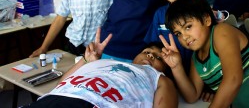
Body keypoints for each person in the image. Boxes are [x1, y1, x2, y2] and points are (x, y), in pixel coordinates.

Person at [159, 0, 249, 108]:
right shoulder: (196, 58)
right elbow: (192, 96)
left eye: (188, 27)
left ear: (207, 19)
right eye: (178, 33)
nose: (184, 36)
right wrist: (176, 67)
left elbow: (233, 79)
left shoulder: (221, 32)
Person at [23, 29, 177, 108]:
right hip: (53, 99)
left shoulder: (158, 77)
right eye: (147, 52)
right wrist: (86, 60)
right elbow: (61, 85)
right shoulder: (104, 62)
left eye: (158, 57)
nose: (150, 56)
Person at [144, 0, 195, 73]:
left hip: (197, 74)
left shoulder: (198, 13)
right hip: (167, 72)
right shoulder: (160, 13)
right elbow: (153, 45)